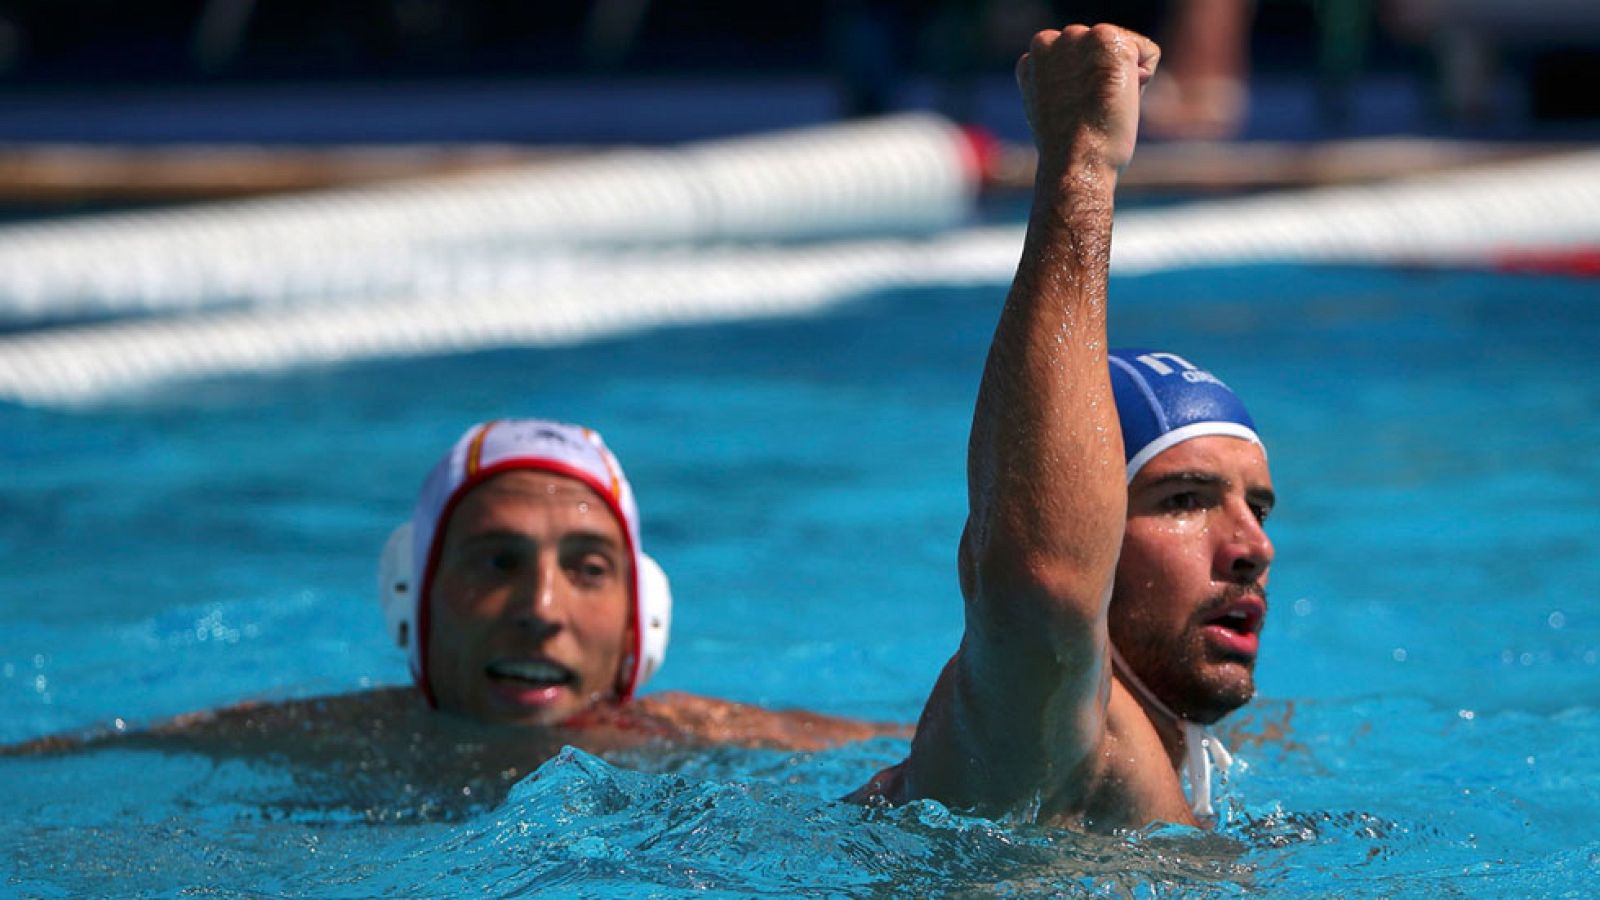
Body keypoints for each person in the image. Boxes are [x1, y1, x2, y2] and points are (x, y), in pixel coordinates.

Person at [6, 417, 905, 816]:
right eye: (496, 563)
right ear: (414, 597)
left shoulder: (711, 739)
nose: (541, 611)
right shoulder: (320, 738)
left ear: (643, 622)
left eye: (587, 570)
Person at [849, 23, 1275, 831]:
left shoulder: (1166, 755)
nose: (1252, 546)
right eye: (1184, 499)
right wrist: (1081, 163)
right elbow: (1039, 585)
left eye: (1259, 506)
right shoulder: (1038, 732)